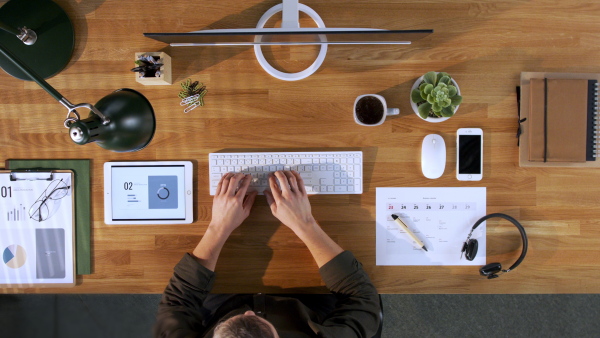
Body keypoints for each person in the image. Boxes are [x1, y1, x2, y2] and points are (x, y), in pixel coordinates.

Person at [154, 171, 381, 337]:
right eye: (260, 320)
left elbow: (177, 304)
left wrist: (218, 227)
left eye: (243, 317)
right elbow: (363, 300)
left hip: (223, 303)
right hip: (309, 307)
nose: (251, 312)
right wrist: (305, 223)